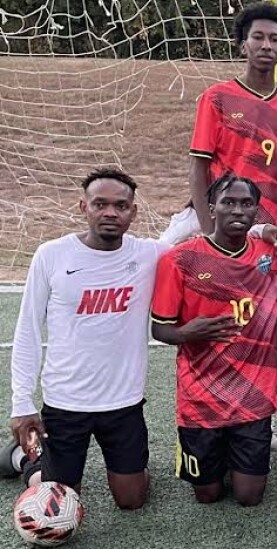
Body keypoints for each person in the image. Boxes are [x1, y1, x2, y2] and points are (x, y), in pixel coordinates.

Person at [185, 1, 277, 450]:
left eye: (274, 39)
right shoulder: (216, 97)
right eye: (258, 37)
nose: (266, 45)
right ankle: (207, 413)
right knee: (212, 318)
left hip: (271, 230)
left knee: (267, 323)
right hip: (221, 229)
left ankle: (262, 417)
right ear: (242, 43)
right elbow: (199, 167)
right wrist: (204, 228)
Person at [2, 168, 159, 509]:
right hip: (65, 403)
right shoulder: (52, 255)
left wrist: (261, 227)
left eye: (121, 205)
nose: (110, 212)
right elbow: (28, 329)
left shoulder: (147, 254)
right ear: (82, 206)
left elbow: (201, 225)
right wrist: (22, 403)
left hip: (123, 404)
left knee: (131, 500)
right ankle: (24, 459)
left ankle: (129, 467)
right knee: (60, 500)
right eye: (100, 203)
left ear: (133, 212)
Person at [151, 174, 277, 506]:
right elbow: (160, 330)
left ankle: (240, 452)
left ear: (257, 211)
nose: (238, 210)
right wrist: (189, 333)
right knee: (207, 496)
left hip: (252, 396)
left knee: (249, 497)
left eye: (246, 204)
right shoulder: (179, 260)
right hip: (201, 397)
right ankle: (207, 453)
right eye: (229, 202)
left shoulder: (273, 255)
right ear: (212, 208)